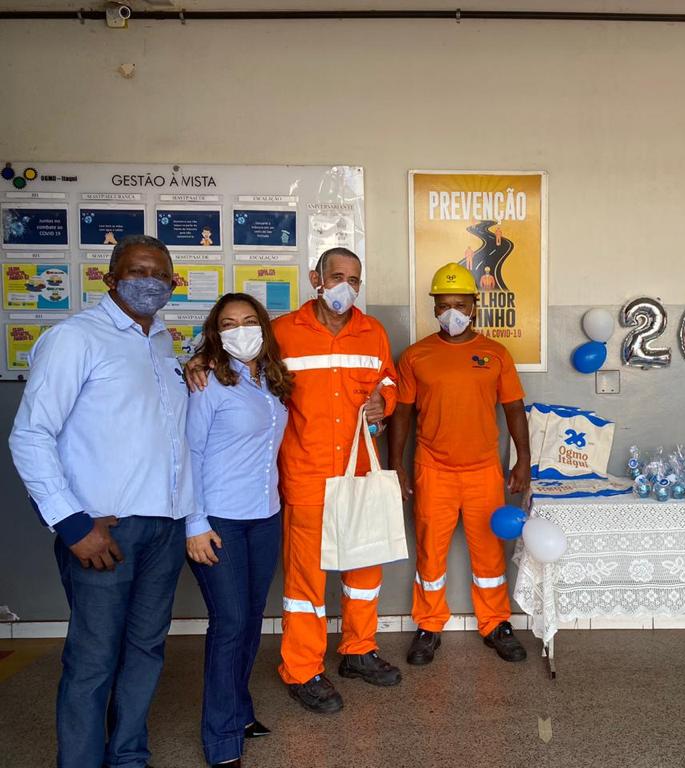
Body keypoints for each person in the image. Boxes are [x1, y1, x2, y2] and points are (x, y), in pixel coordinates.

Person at [187, 247, 400, 716]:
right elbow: (236, 357)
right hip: (304, 476)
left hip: (359, 474)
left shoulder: (374, 332)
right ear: (315, 279)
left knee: (365, 569)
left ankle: (359, 648)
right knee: (306, 582)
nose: (346, 286)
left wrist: (384, 401)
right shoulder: (282, 332)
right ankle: (302, 669)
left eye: (354, 279)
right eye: (337, 276)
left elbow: (389, 380)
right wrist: (198, 360)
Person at [10, 234, 191, 768]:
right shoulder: (75, 338)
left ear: (174, 283)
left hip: (165, 527)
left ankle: (128, 755)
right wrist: (71, 523)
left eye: (160, 274)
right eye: (137, 271)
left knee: (146, 650)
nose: (150, 282)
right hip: (102, 531)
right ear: (109, 278)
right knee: (92, 660)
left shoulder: (164, 344)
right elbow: (31, 434)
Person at [388, 262, 531, 666]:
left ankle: (496, 623)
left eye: (460, 304)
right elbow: (402, 413)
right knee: (430, 554)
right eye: (443, 304)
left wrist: (524, 459)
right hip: (432, 469)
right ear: (434, 307)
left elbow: (514, 408)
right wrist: (396, 465)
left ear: (474, 307)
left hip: (483, 470)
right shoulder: (416, 356)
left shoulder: (495, 354)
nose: (451, 312)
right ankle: (428, 625)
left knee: (489, 553)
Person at [185, 293, 292, 767]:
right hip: (219, 520)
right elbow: (189, 453)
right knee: (229, 623)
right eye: (228, 324)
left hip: (265, 516)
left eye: (249, 321)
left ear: (264, 328)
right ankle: (221, 739)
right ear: (216, 332)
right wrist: (194, 523)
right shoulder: (206, 381)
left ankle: (240, 711)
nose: (240, 330)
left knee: (249, 621)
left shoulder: (272, 379)